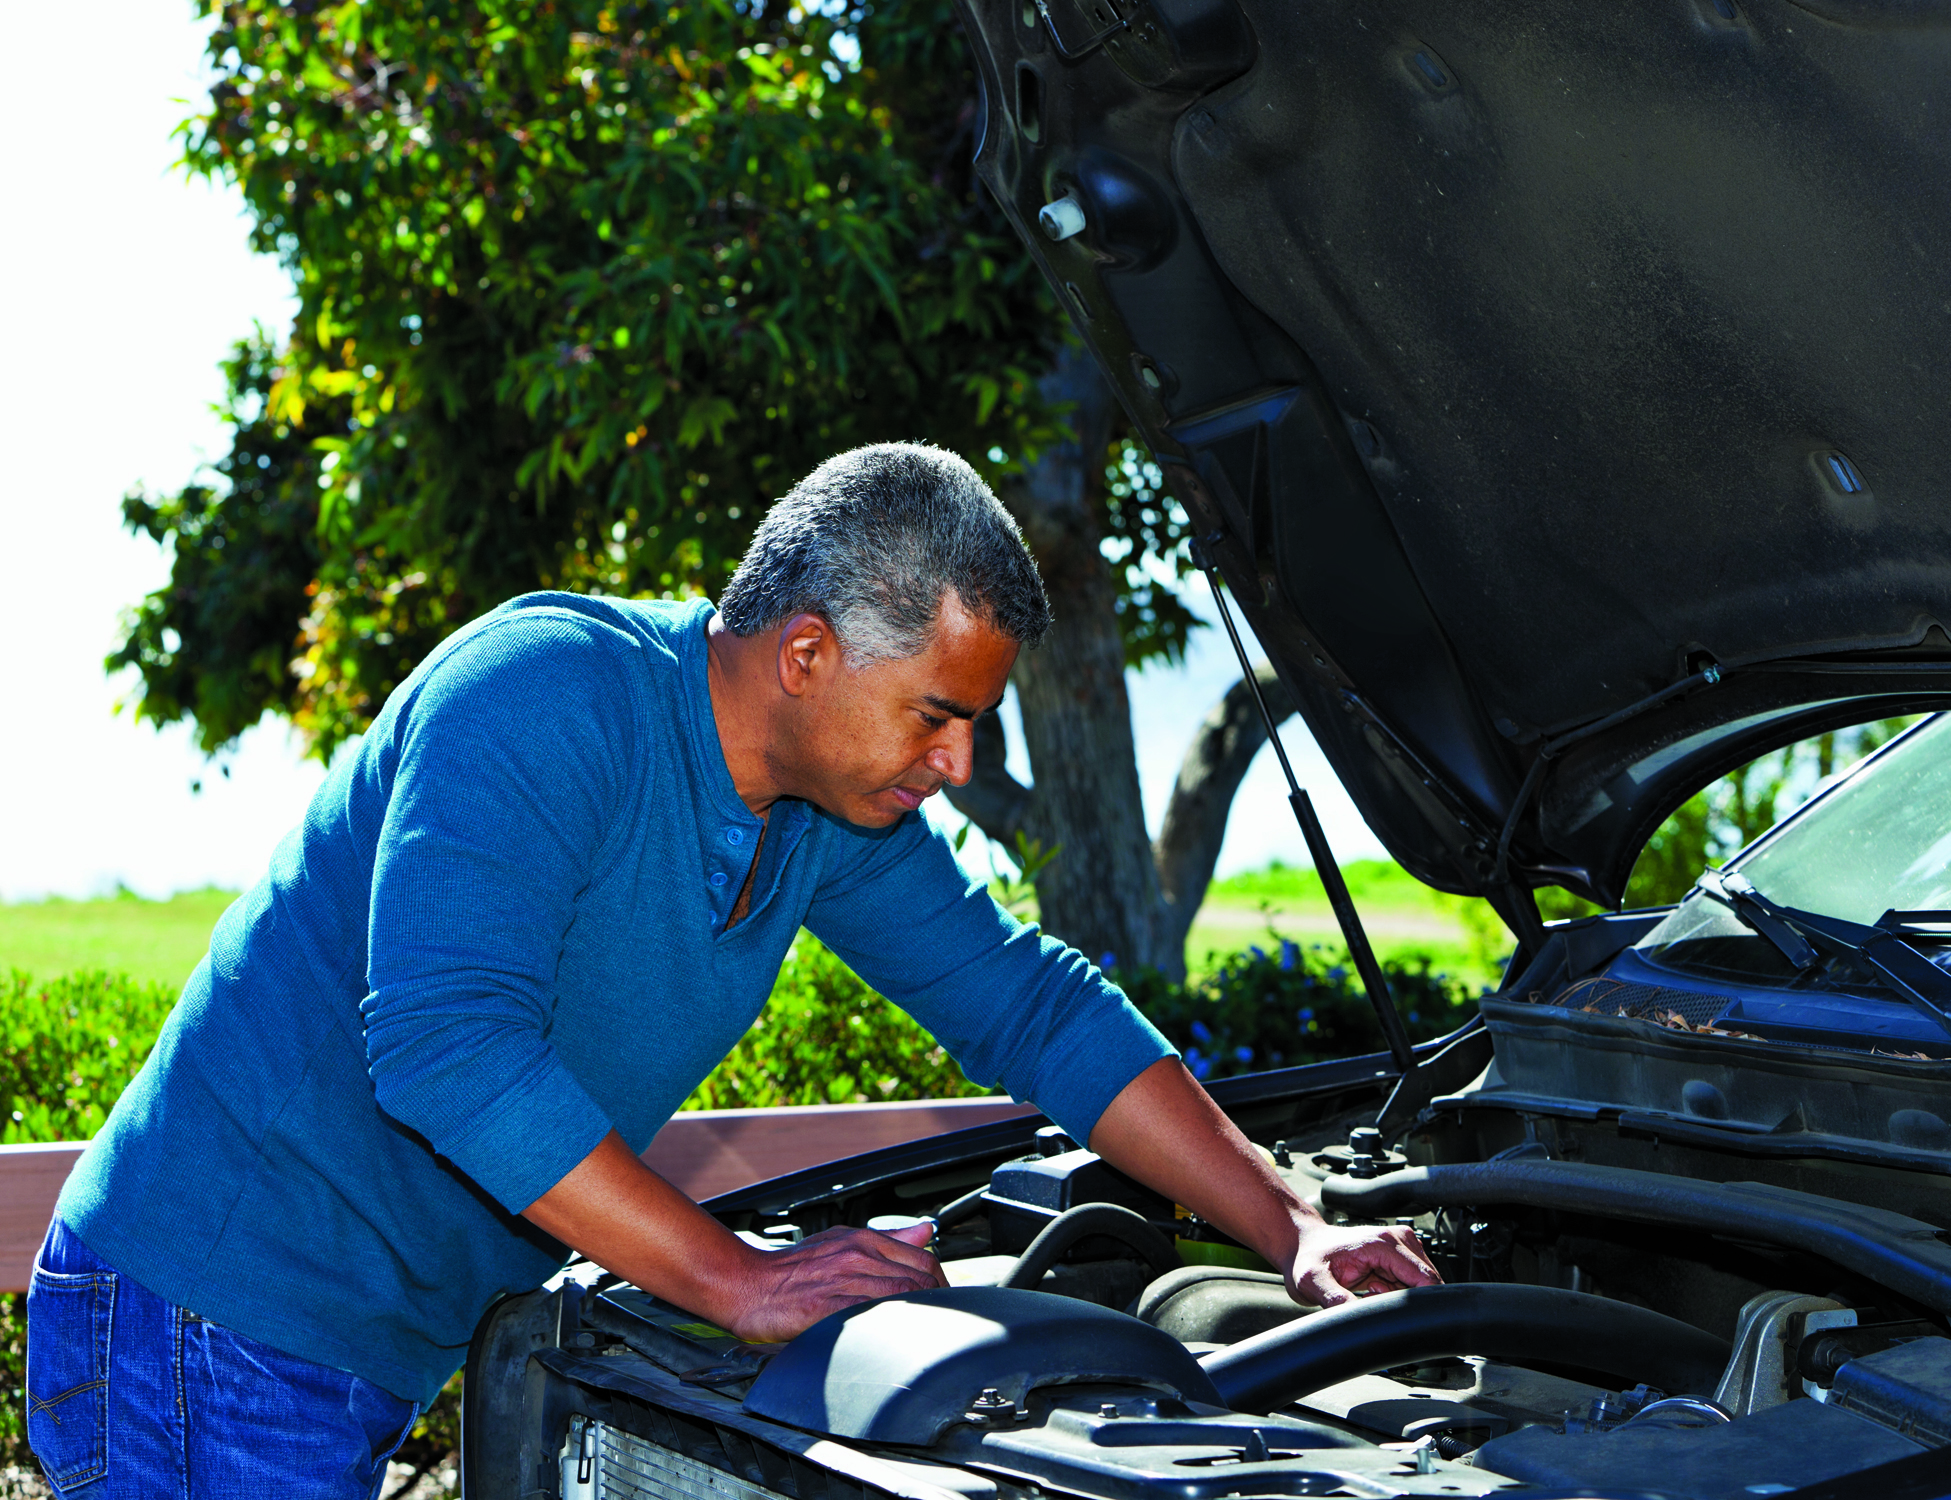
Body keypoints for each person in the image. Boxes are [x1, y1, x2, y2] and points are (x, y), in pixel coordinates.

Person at [25, 442, 1437, 1497]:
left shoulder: (836, 818)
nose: (958, 766)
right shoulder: (540, 697)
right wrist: (739, 1282)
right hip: (203, 1321)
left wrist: (1287, 1228)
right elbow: (447, 1047)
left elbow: (1026, 1002)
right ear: (808, 653)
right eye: (938, 717)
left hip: (358, 1350)